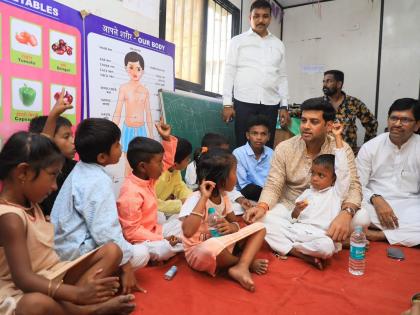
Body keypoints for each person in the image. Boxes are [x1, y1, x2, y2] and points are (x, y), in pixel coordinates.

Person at [0, 131, 135, 315]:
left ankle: (77, 308)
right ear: (23, 172)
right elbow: (24, 279)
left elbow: (43, 140)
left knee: (112, 250)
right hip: (20, 292)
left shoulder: (30, 203)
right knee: (35, 305)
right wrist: (77, 294)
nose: (55, 186)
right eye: (52, 175)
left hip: (53, 275)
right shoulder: (10, 218)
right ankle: (88, 311)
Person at [244, 97, 370, 247]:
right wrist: (262, 206)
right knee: (261, 218)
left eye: (314, 122)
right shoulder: (285, 148)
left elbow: (354, 185)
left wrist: (346, 213)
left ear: (328, 126)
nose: (306, 126)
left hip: (327, 209)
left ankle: (295, 239)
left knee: (362, 217)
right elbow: (273, 184)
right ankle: (315, 243)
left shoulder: (341, 148)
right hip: (292, 208)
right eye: (304, 120)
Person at [51, 118, 149, 294]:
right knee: (142, 254)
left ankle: (104, 278)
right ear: (102, 157)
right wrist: (126, 267)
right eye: (117, 145)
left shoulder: (82, 169)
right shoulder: (97, 181)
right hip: (73, 257)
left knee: (126, 248)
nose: (122, 149)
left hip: (65, 251)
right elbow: (105, 232)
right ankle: (83, 290)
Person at [179, 148, 268, 292]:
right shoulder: (195, 199)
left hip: (224, 244)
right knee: (212, 246)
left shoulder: (224, 196)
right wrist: (204, 198)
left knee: (260, 227)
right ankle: (245, 263)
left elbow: (235, 223)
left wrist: (232, 227)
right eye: (234, 172)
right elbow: (188, 232)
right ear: (221, 179)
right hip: (201, 252)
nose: (236, 177)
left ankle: (241, 266)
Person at [264, 122, 350, 269]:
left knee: (327, 248)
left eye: (321, 175)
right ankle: (299, 252)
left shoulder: (336, 192)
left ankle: (291, 248)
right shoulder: (308, 192)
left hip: (318, 236)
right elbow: (294, 216)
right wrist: (297, 210)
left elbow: (343, 170)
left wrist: (337, 137)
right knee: (264, 224)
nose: (315, 178)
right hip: (296, 230)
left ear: (334, 179)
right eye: (313, 173)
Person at [222, 0, 289, 148]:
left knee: (266, 145)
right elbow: (229, 72)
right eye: (256, 16)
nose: (261, 20)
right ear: (249, 18)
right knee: (242, 143)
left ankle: (264, 172)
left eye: (265, 16)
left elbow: (282, 77)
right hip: (244, 101)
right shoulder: (237, 42)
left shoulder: (278, 45)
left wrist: (284, 106)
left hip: (271, 103)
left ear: (270, 18)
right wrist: (227, 103)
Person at [117, 119, 183, 262]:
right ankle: (177, 246)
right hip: (141, 241)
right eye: (159, 162)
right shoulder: (130, 192)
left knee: (182, 222)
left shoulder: (148, 178)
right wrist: (162, 238)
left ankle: (179, 243)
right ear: (142, 166)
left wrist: (166, 138)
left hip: (154, 231)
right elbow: (132, 233)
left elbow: (168, 162)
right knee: (164, 248)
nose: (162, 166)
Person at [357, 98, 420, 247]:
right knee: (355, 214)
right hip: (372, 205)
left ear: (417, 125)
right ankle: (402, 235)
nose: (397, 124)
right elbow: (357, 184)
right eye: (393, 118)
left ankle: (380, 234)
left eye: (405, 120)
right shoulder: (371, 147)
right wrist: (375, 198)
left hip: (409, 206)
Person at [28, 88, 76, 216]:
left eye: (72, 136)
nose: (73, 141)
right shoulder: (35, 167)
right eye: (66, 137)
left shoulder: (76, 168)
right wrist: (53, 116)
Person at [185, 132, 252, 215]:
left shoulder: (223, 192)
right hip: (201, 203)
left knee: (239, 208)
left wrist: (240, 199)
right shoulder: (194, 167)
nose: (226, 155)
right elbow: (192, 190)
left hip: (218, 199)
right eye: (223, 152)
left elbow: (229, 190)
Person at [112, 51, 153, 174]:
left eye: (138, 68)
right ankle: (127, 191)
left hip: (141, 130)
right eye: (131, 67)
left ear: (143, 71)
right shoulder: (124, 88)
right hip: (128, 129)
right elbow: (118, 111)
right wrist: (112, 133)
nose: (135, 72)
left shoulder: (145, 91)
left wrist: (151, 135)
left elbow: (148, 114)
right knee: (128, 165)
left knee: (142, 165)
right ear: (125, 68)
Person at [322, 70, 378, 151]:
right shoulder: (319, 104)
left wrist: (366, 149)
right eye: (323, 81)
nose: (325, 85)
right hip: (325, 155)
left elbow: (372, 123)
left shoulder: (353, 103)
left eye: (329, 81)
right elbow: (300, 114)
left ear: (339, 84)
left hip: (348, 154)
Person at [233, 115, 273, 201]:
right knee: (251, 190)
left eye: (263, 134)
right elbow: (243, 185)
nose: (259, 138)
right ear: (248, 135)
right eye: (255, 133)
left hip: (268, 194)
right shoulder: (238, 153)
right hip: (246, 194)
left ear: (268, 136)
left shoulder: (272, 153)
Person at [155, 136, 193, 216]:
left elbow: (180, 187)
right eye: (187, 159)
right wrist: (180, 203)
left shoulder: (175, 171)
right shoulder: (157, 176)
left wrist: (191, 198)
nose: (189, 161)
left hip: (159, 213)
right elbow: (154, 203)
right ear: (175, 164)